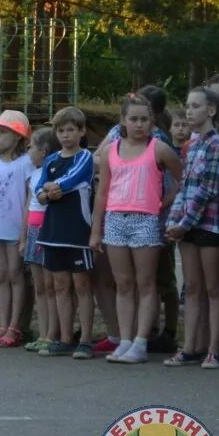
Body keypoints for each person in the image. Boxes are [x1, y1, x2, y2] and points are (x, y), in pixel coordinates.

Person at [88, 94, 184, 364]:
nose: (139, 124)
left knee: (146, 283)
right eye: (133, 119)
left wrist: (161, 205)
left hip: (146, 221)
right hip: (116, 219)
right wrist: (96, 230)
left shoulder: (159, 149)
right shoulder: (111, 151)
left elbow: (182, 179)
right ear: (123, 121)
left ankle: (141, 341)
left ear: (152, 122)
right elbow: (102, 193)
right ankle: (126, 339)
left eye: (144, 119)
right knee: (123, 283)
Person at [164, 88, 219, 368]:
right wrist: (173, 222)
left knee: (213, 288)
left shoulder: (217, 146)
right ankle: (190, 346)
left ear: (211, 111)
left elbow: (208, 190)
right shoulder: (193, 146)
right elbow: (184, 187)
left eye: (196, 106)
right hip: (187, 225)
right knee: (192, 287)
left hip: (212, 225)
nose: (189, 111)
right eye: (188, 106)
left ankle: (215, 349)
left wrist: (184, 223)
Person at [34, 106, 95, 358]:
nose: (66, 135)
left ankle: (86, 339)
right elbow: (39, 191)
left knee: (81, 285)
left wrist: (53, 187)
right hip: (53, 231)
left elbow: (71, 179)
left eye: (71, 130)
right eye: (61, 131)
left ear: (81, 131)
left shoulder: (85, 157)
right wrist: (45, 193)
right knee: (60, 285)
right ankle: (65, 337)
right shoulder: (50, 160)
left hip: (78, 231)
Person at [0, 111, 34, 347]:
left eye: (4, 132)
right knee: (1, 275)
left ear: (18, 136)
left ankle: (16, 325)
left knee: (16, 274)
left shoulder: (26, 163)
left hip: (15, 227)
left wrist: (24, 231)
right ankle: (2, 324)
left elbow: (28, 198)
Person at [21, 127, 58, 352]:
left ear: (43, 151)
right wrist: (23, 236)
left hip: (48, 231)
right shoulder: (33, 174)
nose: (28, 151)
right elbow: (29, 205)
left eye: (31, 147)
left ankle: (53, 334)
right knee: (40, 287)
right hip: (33, 231)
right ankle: (43, 333)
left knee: (51, 286)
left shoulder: (52, 173)